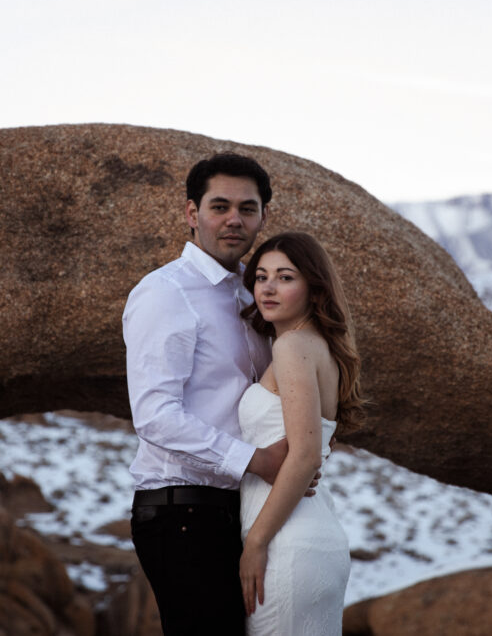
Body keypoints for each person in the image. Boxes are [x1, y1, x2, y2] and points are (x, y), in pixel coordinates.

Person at [123, 152, 299, 635]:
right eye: (219, 206)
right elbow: (155, 416)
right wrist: (254, 461)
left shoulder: (254, 295)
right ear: (191, 213)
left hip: (238, 510)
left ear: (264, 215)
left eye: (247, 208)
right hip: (180, 511)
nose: (233, 220)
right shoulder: (166, 292)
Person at [237, 231, 366, 635]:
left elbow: (307, 454)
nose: (269, 287)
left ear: (314, 288)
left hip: (284, 544)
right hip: (308, 531)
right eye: (261, 277)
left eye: (286, 277)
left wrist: (256, 543)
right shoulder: (317, 345)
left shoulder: (291, 348)